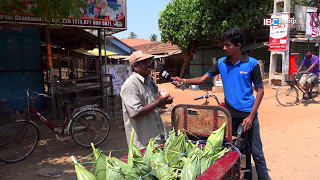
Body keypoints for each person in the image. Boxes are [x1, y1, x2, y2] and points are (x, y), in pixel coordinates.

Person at [172, 28, 269, 180]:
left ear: (238, 45)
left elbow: (260, 91)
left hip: (248, 115)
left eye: (228, 45)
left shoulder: (252, 64)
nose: (224, 48)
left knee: (256, 152)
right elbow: (203, 79)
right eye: (224, 45)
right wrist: (183, 81)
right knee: (235, 150)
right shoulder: (221, 63)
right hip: (229, 116)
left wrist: (250, 117)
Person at [120, 51, 173, 148]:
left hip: (157, 137)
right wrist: (158, 103)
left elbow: (154, 104)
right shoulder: (130, 85)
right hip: (143, 142)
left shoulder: (150, 81)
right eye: (145, 62)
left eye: (149, 61)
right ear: (135, 67)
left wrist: (164, 101)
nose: (149, 65)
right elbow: (135, 113)